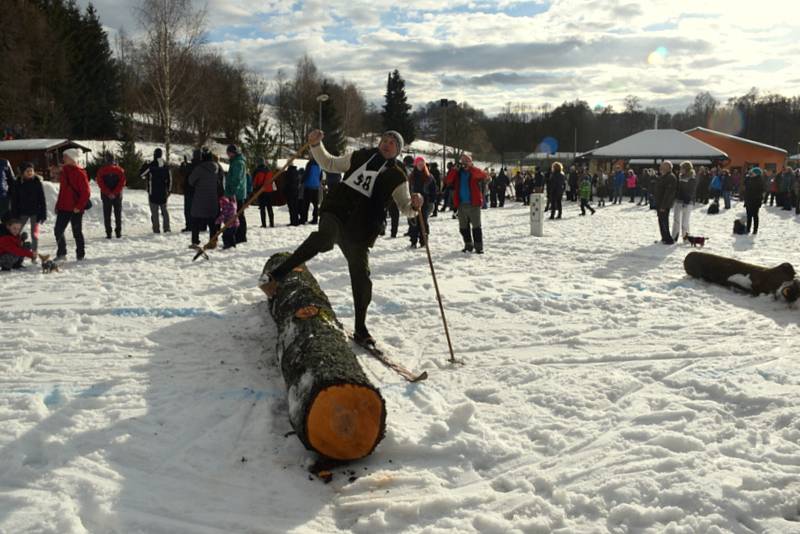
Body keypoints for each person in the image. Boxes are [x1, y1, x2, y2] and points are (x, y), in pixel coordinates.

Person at [261, 129, 423, 346]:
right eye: (384, 140)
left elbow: (406, 208)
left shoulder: (398, 176)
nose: (386, 144)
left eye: (392, 143)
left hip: (361, 228)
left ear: (398, 150)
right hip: (336, 211)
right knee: (325, 237)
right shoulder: (359, 156)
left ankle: (360, 328)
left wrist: (415, 205)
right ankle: (276, 277)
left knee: (362, 278)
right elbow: (329, 164)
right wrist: (316, 145)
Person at [446, 154, 490, 253]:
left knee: (476, 227)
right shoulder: (457, 173)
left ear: (471, 162)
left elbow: (483, 175)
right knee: (463, 227)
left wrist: (471, 168)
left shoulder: (474, 171)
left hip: (474, 204)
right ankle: (468, 245)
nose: (464, 163)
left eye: (467, 161)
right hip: (461, 204)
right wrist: (454, 170)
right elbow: (448, 180)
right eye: (463, 161)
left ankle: (478, 247)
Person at [55, 149, 90, 260]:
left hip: (76, 208)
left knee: (77, 232)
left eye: (65, 156)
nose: (63, 158)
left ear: (72, 158)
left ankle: (80, 254)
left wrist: (79, 207)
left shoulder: (80, 173)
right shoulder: (64, 171)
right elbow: (62, 191)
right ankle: (62, 253)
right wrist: (58, 205)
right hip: (63, 207)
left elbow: (86, 193)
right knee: (58, 230)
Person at [10, 162, 46, 259]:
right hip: (22, 212)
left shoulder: (37, 182)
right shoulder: (17, 183)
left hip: (35, 212)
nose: (30, 172)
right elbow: (14, 200)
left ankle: (34, 255)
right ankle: (15, 254)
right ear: (22, 173)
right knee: (16, 233)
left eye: (31, 171)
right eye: (27, 171)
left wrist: (43, 213)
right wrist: (14, 214)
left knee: (34, 235)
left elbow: (42, 199)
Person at [188, 149, 220, 247]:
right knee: (212, 222)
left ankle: (195, 241)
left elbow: (191, 181)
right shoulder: (217, 168)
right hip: (213, 199)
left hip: (200, 198)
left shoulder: (199, 168)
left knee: (195, 220)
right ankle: (213, 241)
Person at [408, 156, 437, 248]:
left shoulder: (429, 177)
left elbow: (433, 189)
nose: (420, 166)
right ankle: (413, 241)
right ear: (415, 165)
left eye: (422, 164)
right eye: (419, 164)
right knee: (413, 222)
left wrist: (432, 199)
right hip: (413, 201)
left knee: (423, 222)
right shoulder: (411, 176)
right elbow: (407, 189)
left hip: (425, 202)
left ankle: (423, 240)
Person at [141, 148, 172, 233]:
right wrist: (169, 190)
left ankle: (156, 229)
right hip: (163, 192)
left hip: (153, 192)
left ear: (154, 154)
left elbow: (142, 174)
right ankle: (167, 228)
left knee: (154, 213)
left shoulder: (151, 165)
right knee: (164, 211)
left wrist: (144, 165)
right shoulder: (166, 166)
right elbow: (170, 179)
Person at [96, 153, 126, 239]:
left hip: (106, 196)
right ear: (114, 160)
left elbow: (100, 183)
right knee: (118, 214)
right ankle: (118, 232)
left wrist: (108, 193)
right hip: (117, 196)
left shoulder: (101, 170)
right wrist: (115, 193)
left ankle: (108, 233)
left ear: (106, 160)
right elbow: (122, 183)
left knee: (107, 215)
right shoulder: (120, 170)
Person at [225, 144, 247, 243]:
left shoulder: (238, 163)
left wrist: (232, 192)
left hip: (237, 194)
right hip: (235, 193)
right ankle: (239, 235)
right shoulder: (235, 162)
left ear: (234, 153)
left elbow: (237, 180)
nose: (228, 155)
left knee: (239, 215)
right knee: (237, 215)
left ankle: (241, 236)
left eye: (229, 153)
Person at [672, 161, 697, 242]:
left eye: (682, 168)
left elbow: (691, 191)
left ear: (686, 169)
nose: (680, 170)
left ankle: (686, 238)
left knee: (685, 221)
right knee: (676, 220)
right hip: (678, 201)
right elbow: (678, 190)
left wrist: (686, 202)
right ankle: (674, 236)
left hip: (687, 202)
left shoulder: (692, 178)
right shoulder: (680, 177)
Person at [654, 161, 677, 244]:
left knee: (664, 221)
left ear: (668, 168)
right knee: (661, 220)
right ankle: (664, 237)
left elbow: (668, 193)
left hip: (664, 204)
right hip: (660, 203)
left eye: (663, 167)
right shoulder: (664, 176)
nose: (661, 168)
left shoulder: (670, 177)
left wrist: (663, 206)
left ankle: (668, 239)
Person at [252, 158, 276, 228]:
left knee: (262, 208)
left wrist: (254, 190)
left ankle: (264, 224)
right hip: (269, 191)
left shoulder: (257, 171)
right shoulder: (269, 171)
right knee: (269, 208)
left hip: (261, 191)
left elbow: (254, 183)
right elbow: (272, 181)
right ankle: (272, 223)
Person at [743, 167, 765, 235]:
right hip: (748, 200)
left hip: (756, 201)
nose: (751, 174)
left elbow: (761, 191)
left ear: (757, 174)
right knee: (748, 216)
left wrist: (759, 201)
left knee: (755, 216)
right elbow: (745, 188)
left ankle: (755, 230)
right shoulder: (749, 179)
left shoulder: (760, 180)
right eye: (751, 173)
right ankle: (748, 229)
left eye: (753, 173)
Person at [301, 157, 322, 224]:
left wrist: (302, 181)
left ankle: (304, 219)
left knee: (306, 204)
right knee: (315, 205)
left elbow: (306, 173)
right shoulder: (319, 165)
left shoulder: (310, 164)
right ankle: (315, 219)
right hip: (316, 187)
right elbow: (320, 176)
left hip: (308, 186)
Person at [179, 155, 193, 232]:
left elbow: (181, 172)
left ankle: (189, 225)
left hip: (188, 190)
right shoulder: (199, 165)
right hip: (197, 191)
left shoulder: (188, 167)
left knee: (188, 209)